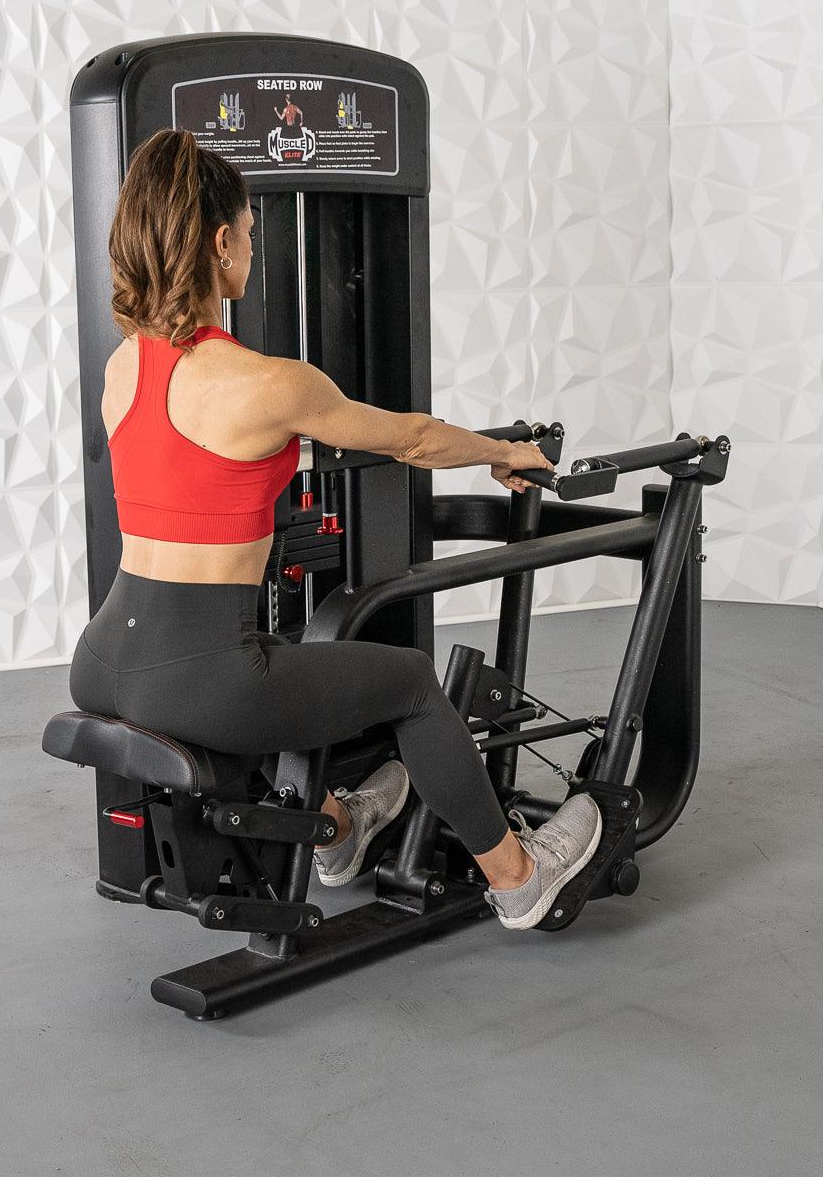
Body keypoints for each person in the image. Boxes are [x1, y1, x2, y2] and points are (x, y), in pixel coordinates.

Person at [68, 129, 602, 932]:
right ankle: (520, 877)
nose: (254, 246)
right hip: (198, 676)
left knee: (268, 664)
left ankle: (340, 830)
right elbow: (414, 438)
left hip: (103, 658)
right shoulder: (272, 384)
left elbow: (191, 464)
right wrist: (504, 453)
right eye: (250, 231)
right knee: (412, 683)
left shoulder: (125, 368)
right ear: (221, 243)